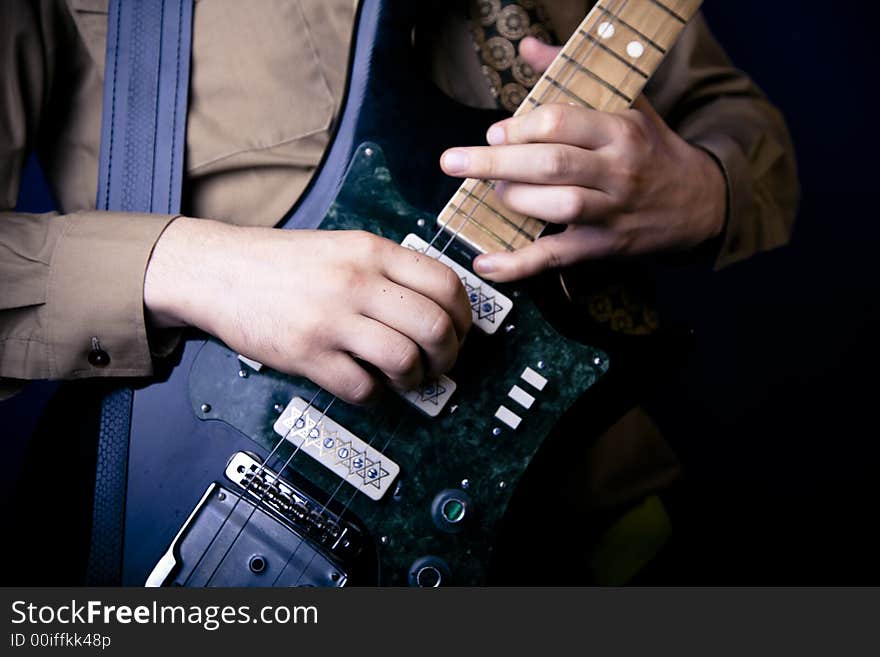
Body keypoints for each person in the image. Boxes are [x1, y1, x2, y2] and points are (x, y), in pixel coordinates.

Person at [0, 0, 798, 583]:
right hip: (232, 514)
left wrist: (704, 190)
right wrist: (191, 265)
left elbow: (729, 116)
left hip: (604, 521)